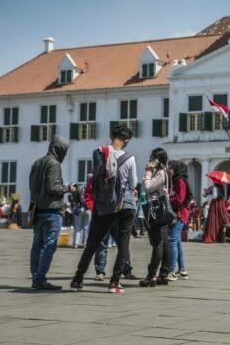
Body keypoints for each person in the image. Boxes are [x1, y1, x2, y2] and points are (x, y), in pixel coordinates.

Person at [70, 124, 137, 294]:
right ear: (127, 140)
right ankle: (114, 282)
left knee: (92, 242)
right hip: (125, 204)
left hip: (105, 204)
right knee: (123, 244)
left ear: (112, 136)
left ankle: (78, 279)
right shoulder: (130, 158)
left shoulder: (99, 152)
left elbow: (96, 175)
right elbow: (133, 183)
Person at [28, 136, 76, 290]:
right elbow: (52, 188)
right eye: (64, 151)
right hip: (52, 211)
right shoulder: (54, 164)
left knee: (37, 246)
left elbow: (32, 187)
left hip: (38, 210)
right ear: (58, 149)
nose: (65, 155)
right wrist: (69, 188)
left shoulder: (37, 163)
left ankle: (36, 276)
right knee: (49, 246)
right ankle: (40, 278)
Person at [140, 147, 171, 286]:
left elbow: (147, 187)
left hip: (157, 211)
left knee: (158, 243)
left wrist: (148, 172)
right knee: (164, 243)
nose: (150, 160)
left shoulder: (160, 173)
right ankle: (164, 274)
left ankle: (151, 275)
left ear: (157, 160)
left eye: (152, 157)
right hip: (161, 210)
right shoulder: (163, 172)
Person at [167, 160, 191, 281]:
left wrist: (168, 199)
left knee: (172, 240)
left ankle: (171, 270)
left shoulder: (180, 181)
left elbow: (180, 199)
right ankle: (182, 270)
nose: (169, 169)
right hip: (180, 213)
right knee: (177, 242)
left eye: (171, 167)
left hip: (180, 214)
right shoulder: (177, 180)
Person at [72, 174, 93, 248]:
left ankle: (76, 244)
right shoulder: (93, 188)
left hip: (79, 208)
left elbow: (75, 198)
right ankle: (85, 244)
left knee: (77, 227)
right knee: (86, 227)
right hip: (88, 209)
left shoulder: (80, 187)